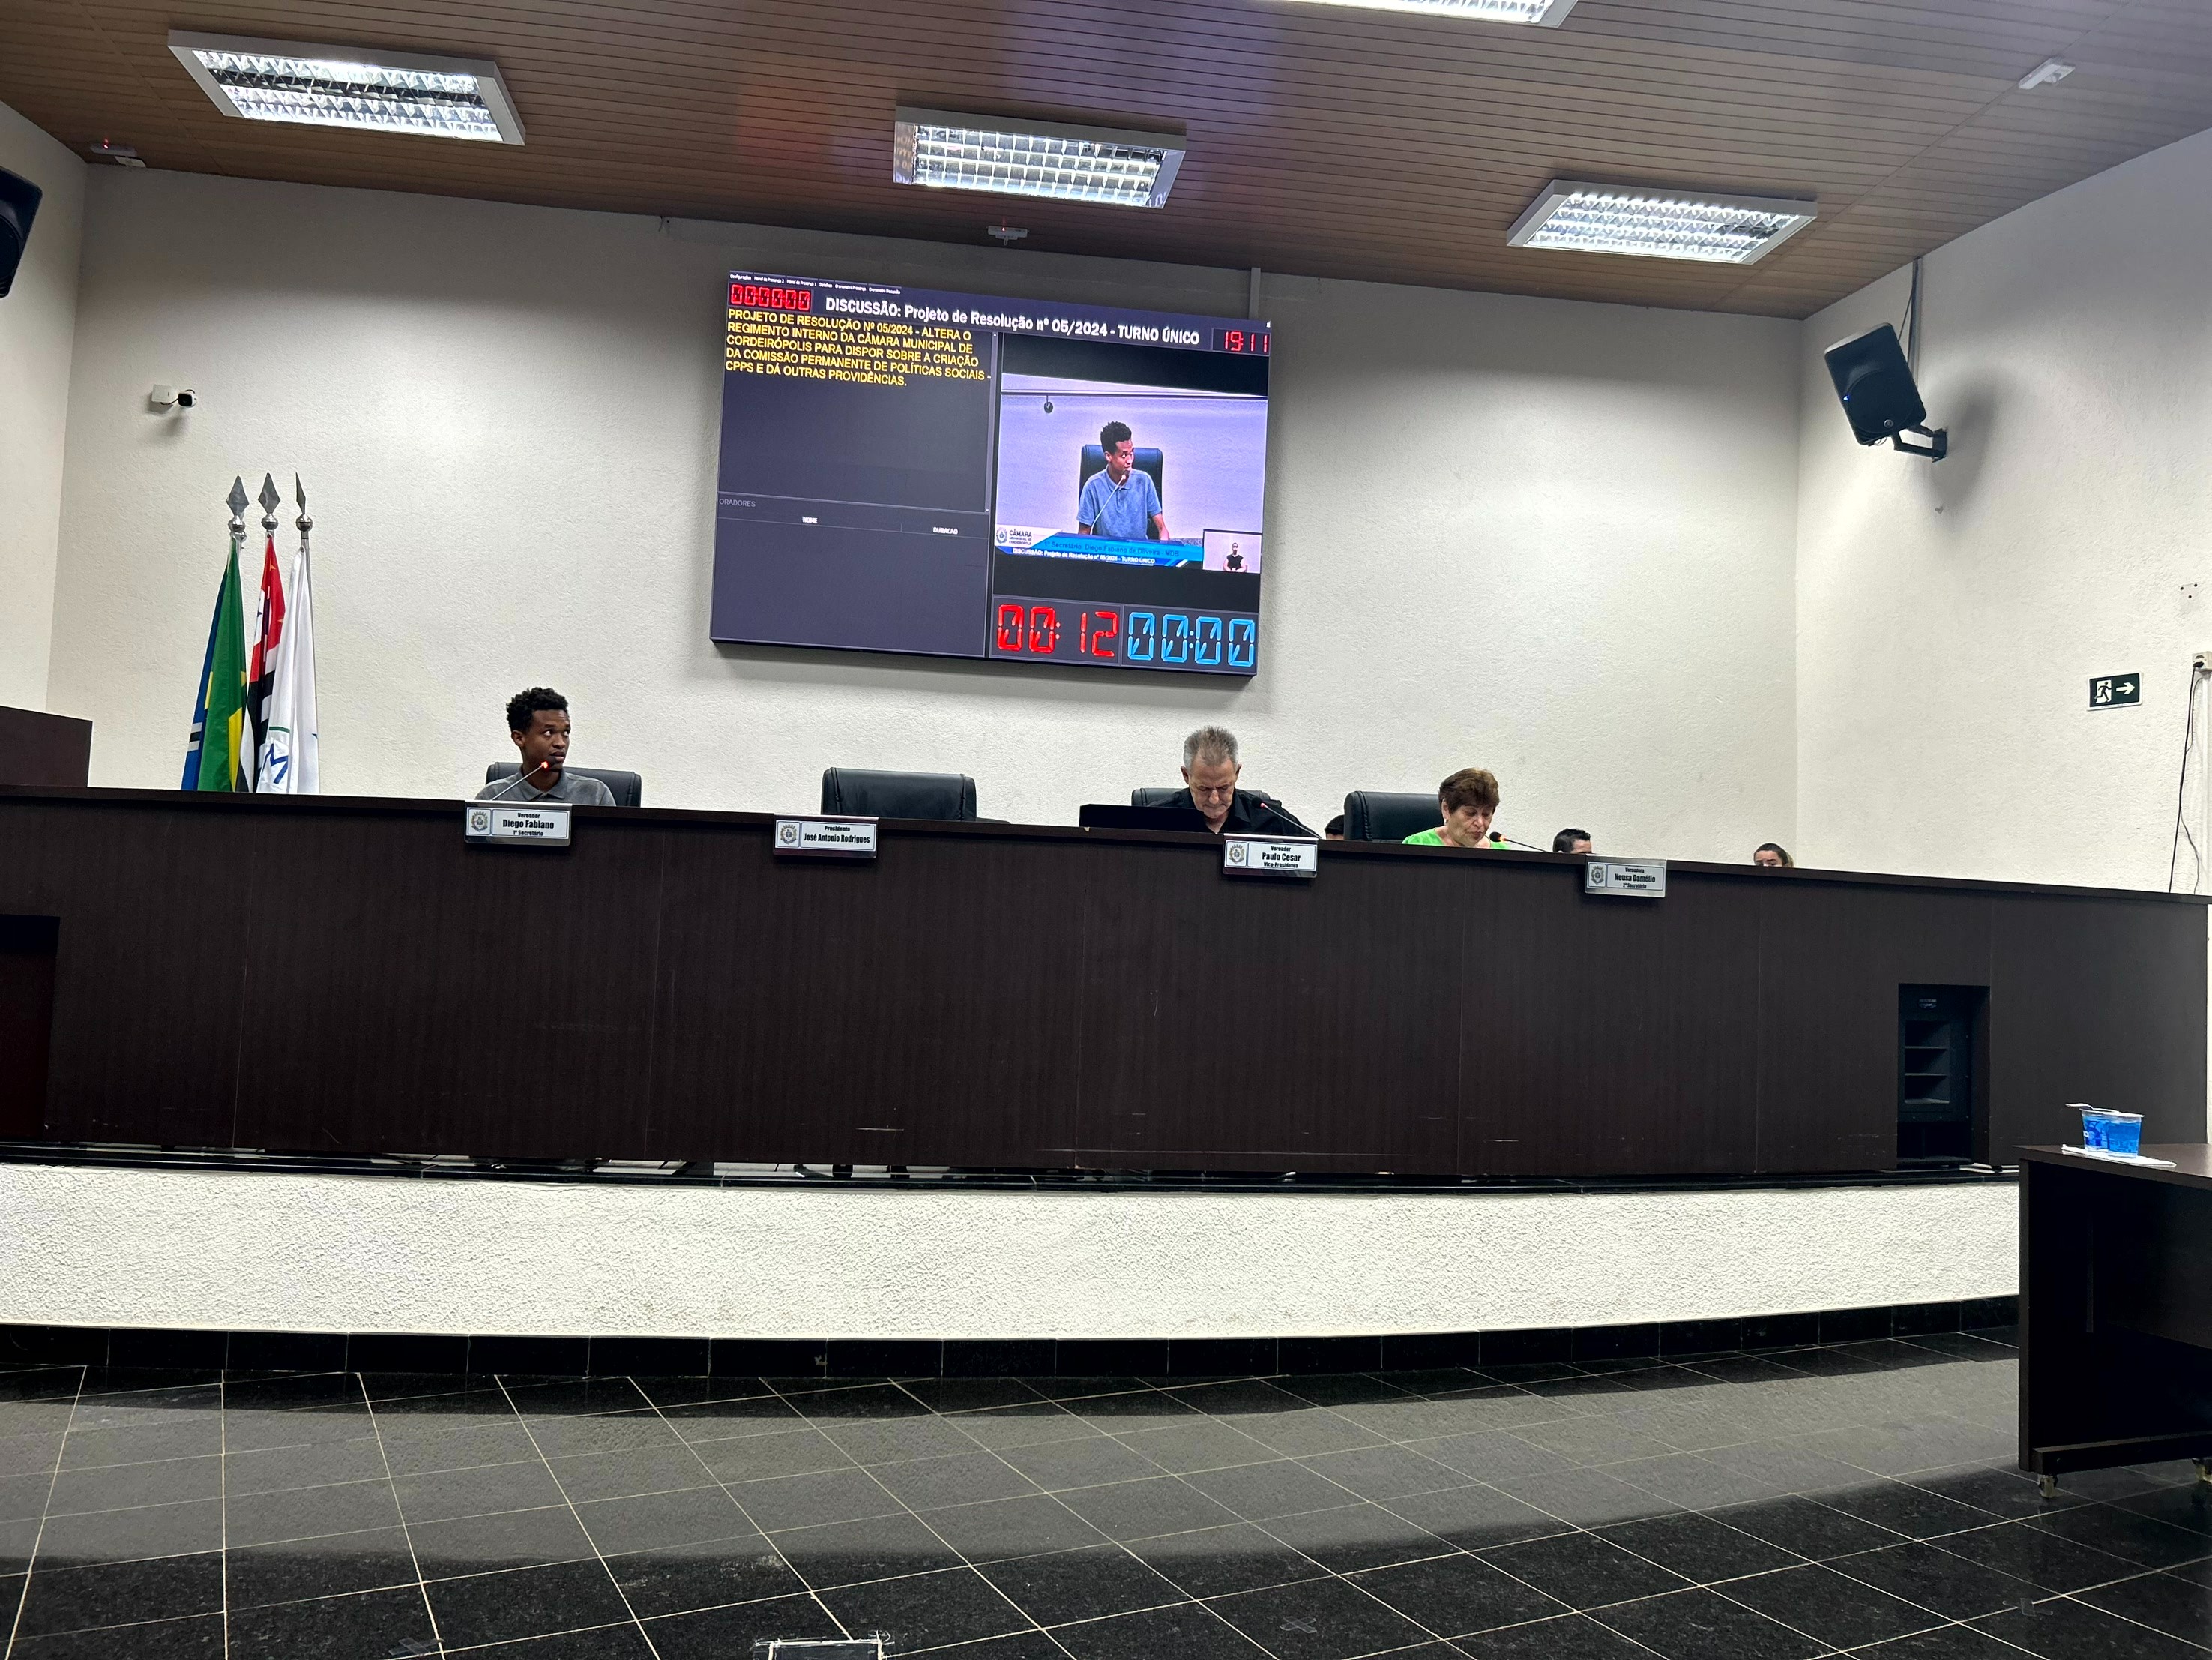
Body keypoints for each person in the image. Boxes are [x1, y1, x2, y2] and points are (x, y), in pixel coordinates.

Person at [1154, 726, 1313, 836]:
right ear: (1186, 775)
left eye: (1223, 788)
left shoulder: (1271, 819)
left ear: (1236, 773)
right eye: (1204, 789)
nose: (1214, 799)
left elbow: (1319, 855)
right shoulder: (1157, 819)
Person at [476, 686, 616, 806]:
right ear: (519, 738)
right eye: (549, 733)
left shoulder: (595, 795)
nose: (560, 743)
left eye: (566, 733)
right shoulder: (493, 796)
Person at [1079, 421, 1166, 542]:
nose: (1130, 460)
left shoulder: (1144, 481)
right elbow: (1084, 534)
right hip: (1107, 551)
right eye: (1124, 455)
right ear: (1108, 456)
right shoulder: (1093, 486)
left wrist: (1164, 547)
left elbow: (1162, 529)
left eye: (1132, 453)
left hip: (1139, 550)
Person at [1405, 769, 1499, 849]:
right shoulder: (1418, 844)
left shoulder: (1502, 851)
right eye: (1470, 813)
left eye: (1486, 814)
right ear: (1446, 808)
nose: (1480, 823)